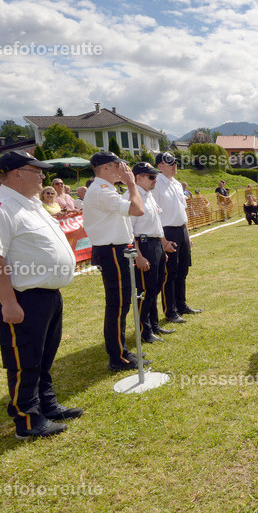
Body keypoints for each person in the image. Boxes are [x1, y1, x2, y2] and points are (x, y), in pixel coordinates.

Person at [0, 150, 80, 439]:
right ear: (16, 173)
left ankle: (48, 405)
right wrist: (8, 302)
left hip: (46, 295)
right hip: (20, 296)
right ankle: (27, 420)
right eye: (37, 170)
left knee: (44, 356)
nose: (43, 175)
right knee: (24, 361)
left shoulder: (29, 204)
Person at [82, 151, 146, 372]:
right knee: (118, 305)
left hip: (117, 249)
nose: (124, 169)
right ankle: (118, 357)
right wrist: (131, 184)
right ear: (106, 168)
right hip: (111, 251)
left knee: (122, 303)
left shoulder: (105, 189)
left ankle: (122, 350)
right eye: (119, 165)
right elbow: (138, 209)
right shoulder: (101, 191)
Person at [124, 162, 176, 344]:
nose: (155, 180)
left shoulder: (149, 195)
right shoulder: (132, 198)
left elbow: (156, 225)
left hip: (155, 245)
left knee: (154, 288)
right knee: (145, 291)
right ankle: (144, 330)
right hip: (143, 245)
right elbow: (128, 231)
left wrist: (163, 246)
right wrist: (138, 255)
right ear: (138, 177)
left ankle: (154, 325)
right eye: (151, 177)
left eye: (155, 176)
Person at [153, 152, 202, 324]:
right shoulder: (156, 184)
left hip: (181, 230)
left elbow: (182, 212)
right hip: (168, 231)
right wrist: (163, 241)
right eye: (170, 163)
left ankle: (182, 305)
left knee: (183, 271)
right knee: (170, 273)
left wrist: (187, 234)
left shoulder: (176, 184)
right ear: (160, 166)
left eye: (175, 162)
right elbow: (155, 215)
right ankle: (170, 310)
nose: (175, 165)